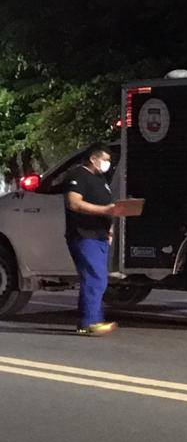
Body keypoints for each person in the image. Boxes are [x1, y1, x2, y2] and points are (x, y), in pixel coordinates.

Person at [64, 143, 120, 336]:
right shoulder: (78, 175)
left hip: (100, 236)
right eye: (104, 160)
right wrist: (104, 211)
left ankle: (85, 321)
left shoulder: (100, 179)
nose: (107, 164)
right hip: (84, 234)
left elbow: (107, 205)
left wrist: (110, 228)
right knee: (96, 279)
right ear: (92, 158)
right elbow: (74, 203)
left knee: (94, 278)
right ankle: (90, 322)